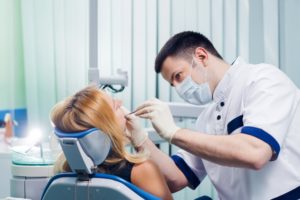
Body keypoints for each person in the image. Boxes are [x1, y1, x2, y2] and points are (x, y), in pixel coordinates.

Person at [125, 31, 300, 199]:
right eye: (173, 84)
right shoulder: (206, 119)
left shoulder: (262, 80)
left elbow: (255, 152)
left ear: (201, 56)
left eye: (178, 76)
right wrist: (140, 138)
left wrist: (174, 133)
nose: (178, 88)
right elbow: (176, 178)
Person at [50, 85, 173, 200]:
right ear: (108, 127)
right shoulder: (143, 170)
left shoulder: (63, 173)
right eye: (116, 106)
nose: (121, 102)